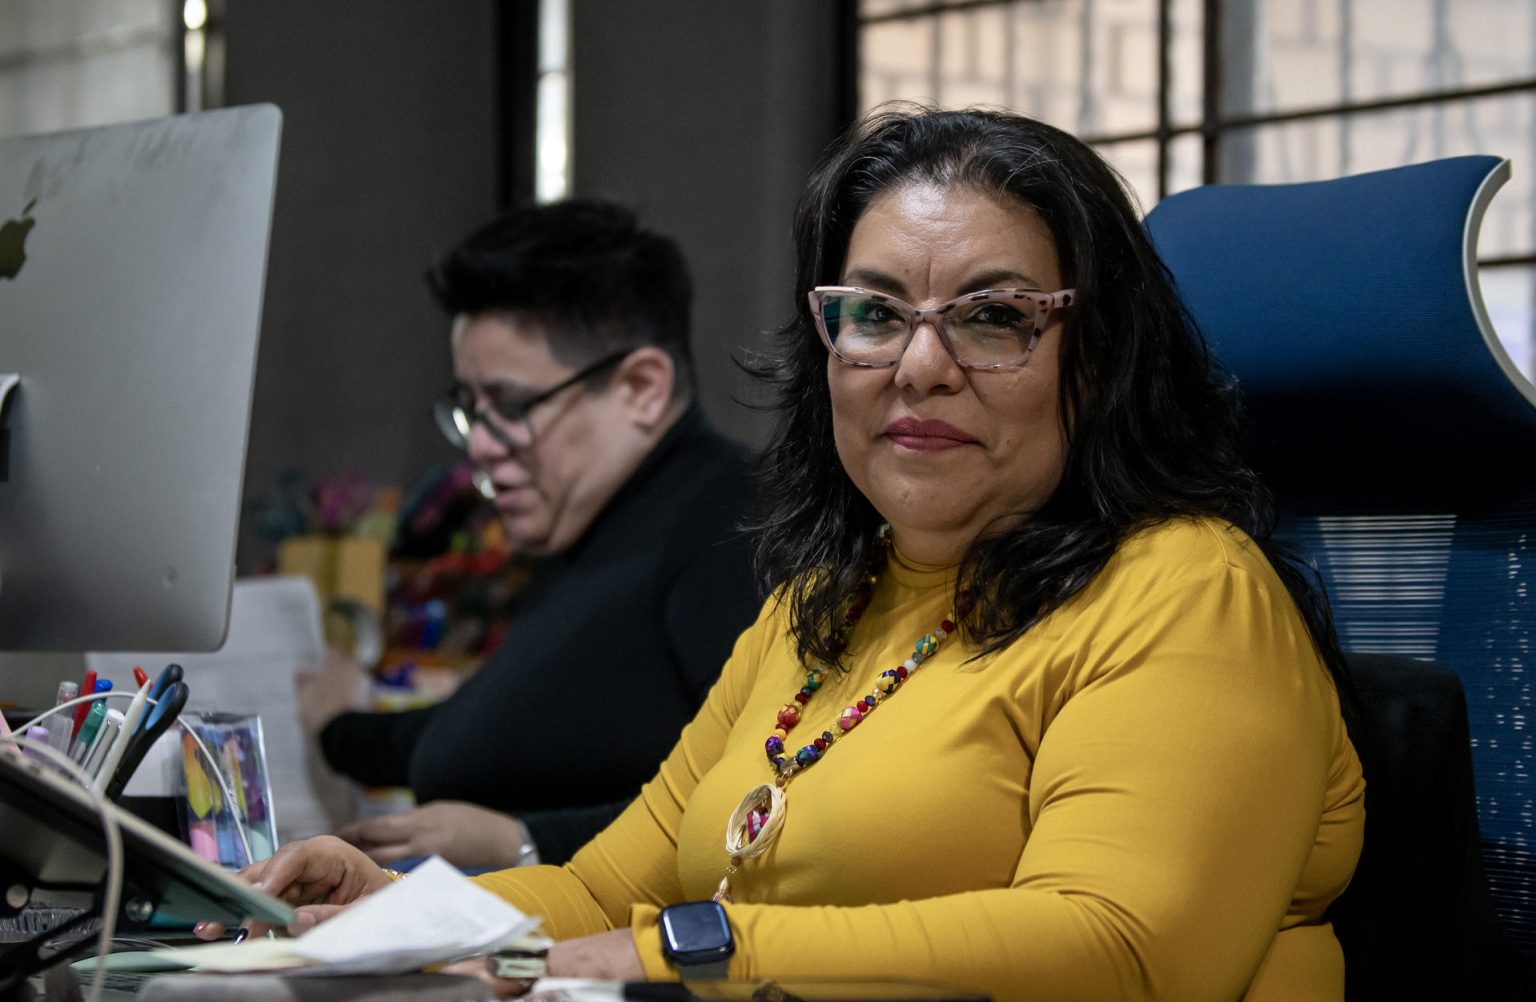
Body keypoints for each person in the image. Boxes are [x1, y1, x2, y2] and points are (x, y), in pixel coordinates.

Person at [217, 107, 1366, 1000]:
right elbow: (601, 888)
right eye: (872, 314)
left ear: (1100, 356)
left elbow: (1126, 951)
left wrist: (685, 952)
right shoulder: (821, 603)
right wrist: (400, 913)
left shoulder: (1186, 589)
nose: (917, 366)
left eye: (994, 315)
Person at [301, 199, 762, 869]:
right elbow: (504, 725)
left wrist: (523, 844)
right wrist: (340, 726)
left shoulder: (728, 520)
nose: (481, 446)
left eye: (512, 407)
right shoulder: (600, 526)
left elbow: (765, 799)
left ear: (640, 388)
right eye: (470, 409)